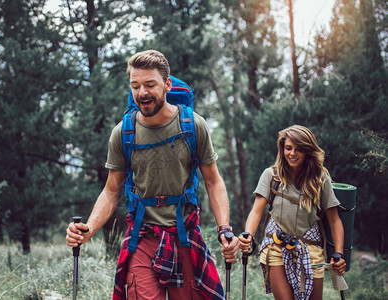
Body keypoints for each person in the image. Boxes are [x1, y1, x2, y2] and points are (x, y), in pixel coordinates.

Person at [66, 50, 238, 300]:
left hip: (185, 235)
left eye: (149, 85)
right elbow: (112, 189)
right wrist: (88, 229)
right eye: (135, 86)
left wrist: (224, 229)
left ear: (167, 85)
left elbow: (213, 181)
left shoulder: (192, 125)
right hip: (142, 236)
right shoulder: (123, 132)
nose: (142, 93)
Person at [238, 125, 346, 300]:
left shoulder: (321, 178)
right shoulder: (271, 176)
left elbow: (334, 220)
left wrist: (339, 254)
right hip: (277, 246)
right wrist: (247, 235)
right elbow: (256, 211)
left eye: (299, 149)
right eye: (288, 148)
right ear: (282, 148)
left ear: (308, 151)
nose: (292, 153)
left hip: (311, 248)